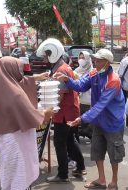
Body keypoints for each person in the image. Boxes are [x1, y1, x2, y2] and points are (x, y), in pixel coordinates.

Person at [54, 48, 125, 190]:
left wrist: (81, 119)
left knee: (114, 155)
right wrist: (67, 79)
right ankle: (101, 179)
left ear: (107, 62)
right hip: (99, 121)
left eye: (98, 60)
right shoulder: (94, 73)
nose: (95, 62)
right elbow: (80, 86)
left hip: (113, 123)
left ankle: (114, 181)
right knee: (97, 151)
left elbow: (100, 106)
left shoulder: (113, 81)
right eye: (95, 60)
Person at [0, 56, 53, 190]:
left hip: (1, 136)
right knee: (19, 176)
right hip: (14, 140)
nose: (21, 73)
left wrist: (36, 78)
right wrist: (45, 113)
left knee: (8, 174)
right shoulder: (16, 95)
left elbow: (21, 82)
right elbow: (31, 114)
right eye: (19, 69)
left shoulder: (0, 85)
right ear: (10, 71)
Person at [36, 38, 86, 183]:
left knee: (60, 142)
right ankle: (80, 167)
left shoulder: (61, 69)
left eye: (46, 55)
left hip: (64, 113)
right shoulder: (63, 67)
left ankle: (63, 174)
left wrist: (49, 110)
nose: (45, 58)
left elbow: (60, 94)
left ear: (52, 53)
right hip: (70, 111)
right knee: (70, 140)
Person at [74, 51, 93, 140]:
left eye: (83, 58)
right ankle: (78, 136)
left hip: (89, 100)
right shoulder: (76, 71)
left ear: (88, 59)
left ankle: (89, 135)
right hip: (79, 100)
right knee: (79, 121)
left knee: (88, 121)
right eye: (80, 58)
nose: (81, 60)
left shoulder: (93, 72)